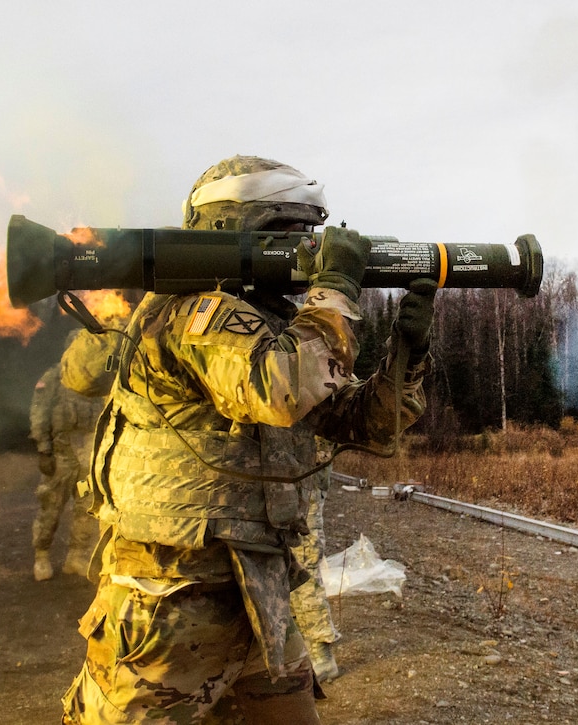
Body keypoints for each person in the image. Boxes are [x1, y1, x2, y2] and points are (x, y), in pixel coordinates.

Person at [59, 155, 436, 724]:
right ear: (229, 230)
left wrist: (406, 354)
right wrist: (334, 291)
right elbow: (277, 388)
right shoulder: (191, 310)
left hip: (261, 592)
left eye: (309, 236)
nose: (304, 250)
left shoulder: (275, 325)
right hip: (172, 595)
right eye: (287, 236)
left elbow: (367, 426)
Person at [28, 332, 107, 581]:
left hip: (88, 460)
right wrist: (44, 450)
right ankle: (41, 557)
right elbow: (39, 414)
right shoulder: (54, 378)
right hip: (61, 458)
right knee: (50, 508)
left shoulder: (99, 382)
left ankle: (76, 557)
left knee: (86, 509)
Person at [289, 440, 340, 683]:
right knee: (279, 563)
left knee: (305, 565)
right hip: (278, 474)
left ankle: (321, 654)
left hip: (305, 476)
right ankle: (296, 646)